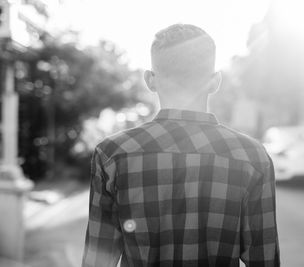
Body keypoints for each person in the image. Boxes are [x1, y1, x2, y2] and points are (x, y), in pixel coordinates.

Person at [82, 23, 280, 267]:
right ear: (215, 81)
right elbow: (264, 260)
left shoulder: (112, 154)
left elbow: (97, 261)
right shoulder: (252, 157)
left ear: (150, 80)